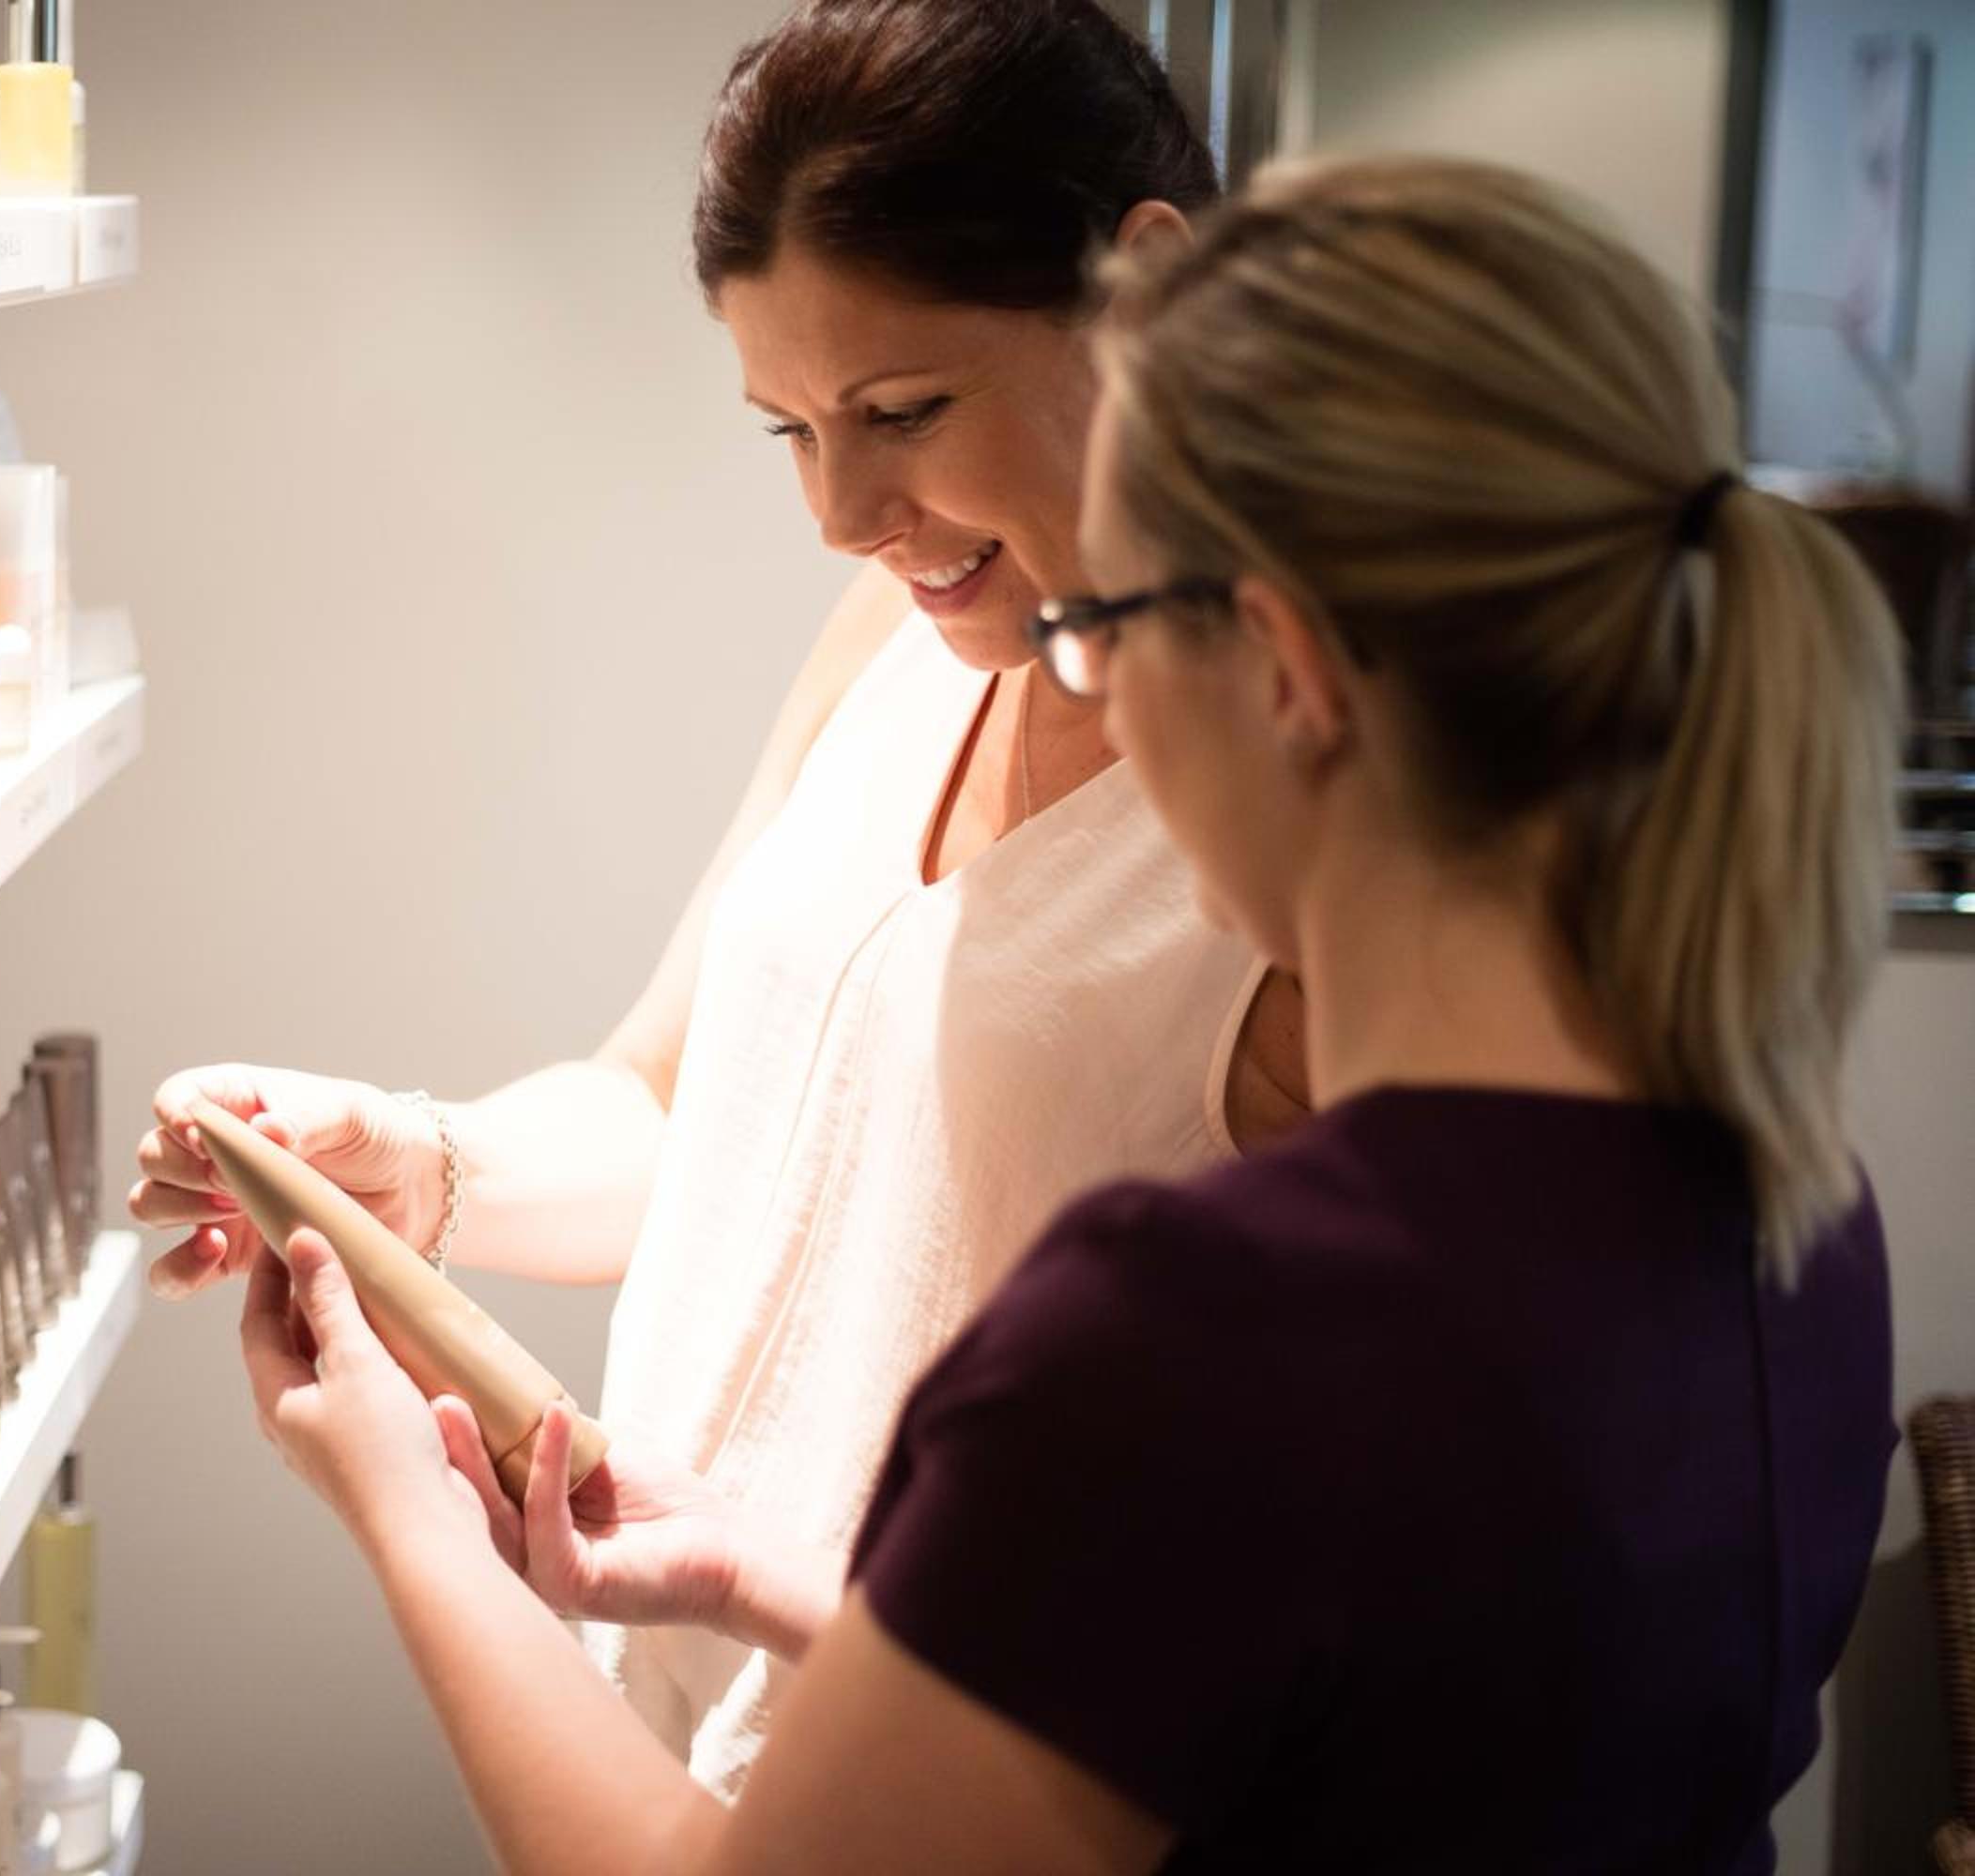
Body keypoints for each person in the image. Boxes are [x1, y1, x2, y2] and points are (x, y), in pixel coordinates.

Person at [235, 152, 1903, 1872]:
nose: (1086, 693)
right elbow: (1283, 1726)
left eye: (1103, 629)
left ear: (1287, 672)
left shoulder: (1197, 1327)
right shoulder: (1803, 1224)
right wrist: (749, 1574)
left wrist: (410, 1509)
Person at [133, 0, 1304, 1790]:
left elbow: (1293, 1573)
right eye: (792, 431)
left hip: (941, 1799)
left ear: (1144, 289)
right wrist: (416, 1163)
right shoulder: (897, 640)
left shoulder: (1296, 821)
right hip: (658, 1725)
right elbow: (683, 1107)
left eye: (902, 410)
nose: (842, 511)